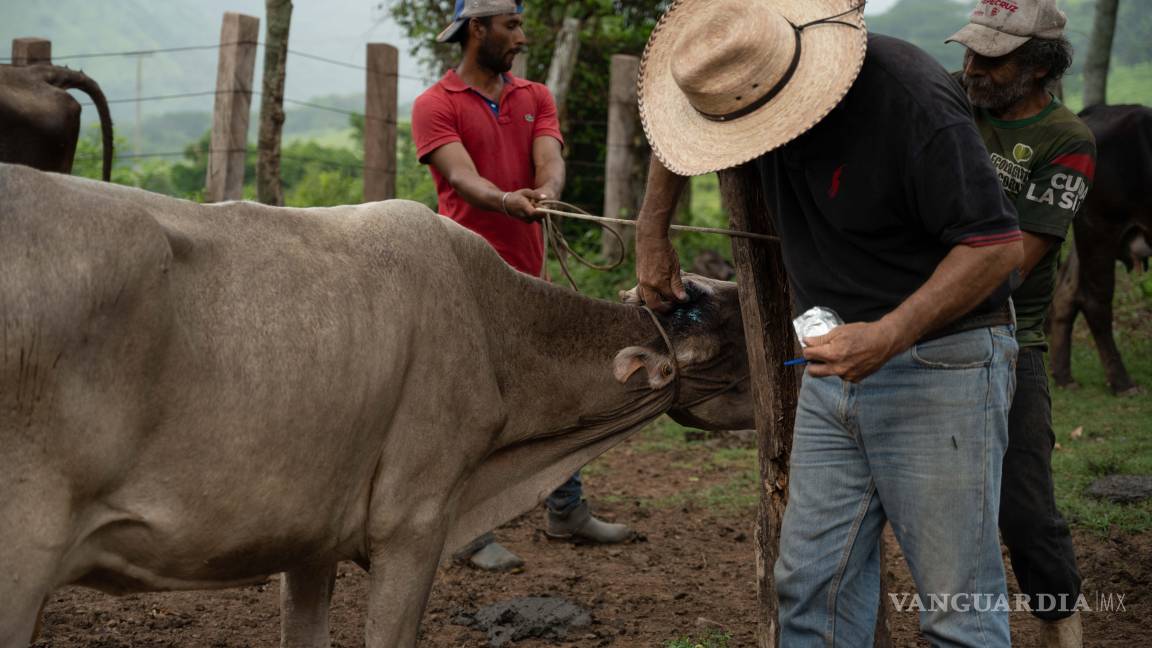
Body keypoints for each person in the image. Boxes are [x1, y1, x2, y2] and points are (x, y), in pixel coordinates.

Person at [632, 1, 1024, 645]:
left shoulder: (911, 101)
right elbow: (675, 136)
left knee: (958, 610)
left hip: (941, 361)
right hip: (831, 365)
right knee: (810, 589)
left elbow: (995, 248)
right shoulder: (741, 81)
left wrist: (890, 333)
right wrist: (652, 230)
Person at [410, 0, 632, 572]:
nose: (521, 36)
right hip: (463, 279)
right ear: (476, 29)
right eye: (510, 25)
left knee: (556, 386)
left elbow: (549, 160)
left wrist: (547, 191)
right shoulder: (435, 105)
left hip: (528, 272)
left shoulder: (535, 97)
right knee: (472, 403)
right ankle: (467, 533)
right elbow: (461, 177)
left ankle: (567, 509)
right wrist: (508, 200)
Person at [947, 2, 1094, 646]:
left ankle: (1063, 624)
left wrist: (908, 300)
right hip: (911, 323)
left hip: (1009, 337)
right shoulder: (951, 99)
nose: (973, 66)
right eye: (970, 52)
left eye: (993, 58)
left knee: (1025, 507)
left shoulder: (1069, 139)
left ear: (1037, 68)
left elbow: (1016, 263)